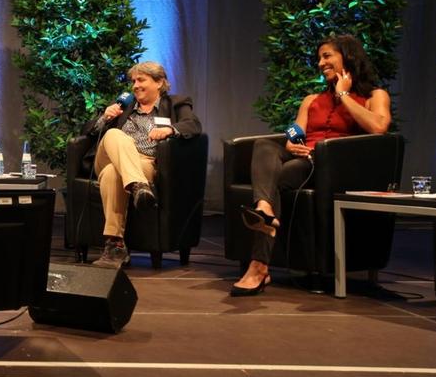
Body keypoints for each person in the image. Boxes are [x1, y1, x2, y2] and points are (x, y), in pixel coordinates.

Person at [231, 34, 391, 296]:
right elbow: (296, 130)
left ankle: (259, 267)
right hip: (304, 157)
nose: (320, 63)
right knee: (263, 145)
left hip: (332, 167)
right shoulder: (311, 100)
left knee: (286, 173)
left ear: (347, 57)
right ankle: (265, 209)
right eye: (319, 58)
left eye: (327, 56)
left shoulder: (375, 95)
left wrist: (344, 95)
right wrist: (291, 143)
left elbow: (379, 127)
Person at [83, 61, 202, 268]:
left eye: (141, 80)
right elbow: (87, 131)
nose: (135, 85)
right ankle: (139, 186)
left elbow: (193, 125)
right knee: (113, 134)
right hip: (109, 157)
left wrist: (170, 130)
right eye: (133, 81)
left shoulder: (176, 102)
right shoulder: (124, 106)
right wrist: (104, 118)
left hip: (145, 162)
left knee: (113, 174)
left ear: (159, 82)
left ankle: (115, 246)